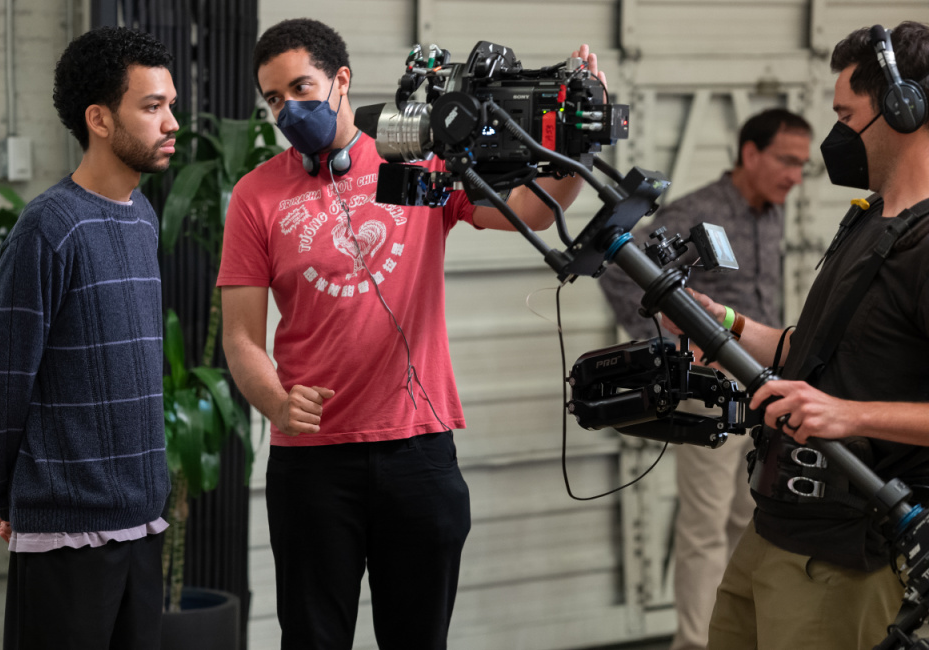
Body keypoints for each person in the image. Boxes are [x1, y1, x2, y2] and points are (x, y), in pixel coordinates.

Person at [218, 18, 600, 649]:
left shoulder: (419, 161)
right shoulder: (256, 195)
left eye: (301, 88)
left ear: (342, 80)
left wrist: (581, 138)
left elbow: (531, 211)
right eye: (274, 99)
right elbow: (241, 338)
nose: (288, 108)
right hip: (311, 466)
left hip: (418, 453)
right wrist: (277, 402)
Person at [665, 22, 929, 650]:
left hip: (851, 559)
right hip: (775, 534)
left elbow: (838, 401)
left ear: (903, 108)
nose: (835, 133)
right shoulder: (867, 220)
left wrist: (845, 414)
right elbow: (811, 355)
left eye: (846, 113)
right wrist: (726, 324)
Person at [0, 26, 174, 650]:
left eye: (170, 104)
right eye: (151, 106)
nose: (171, 122)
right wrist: (9, 494)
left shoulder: (142, 216)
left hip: (142, 522)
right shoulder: (47, 228)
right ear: (100, 119)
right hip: (65, 532)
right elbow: (5, 378)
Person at [598, 108, 812, 650]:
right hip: (709, 395)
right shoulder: (699, 212)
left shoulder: (771, 212)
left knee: (753, 524)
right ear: (750, 154)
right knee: (703, 529)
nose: (796, 175)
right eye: (787, 161)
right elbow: (624, 273)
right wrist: (679, 350)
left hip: (760, 392)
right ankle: (695, 644)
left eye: (802, 165)